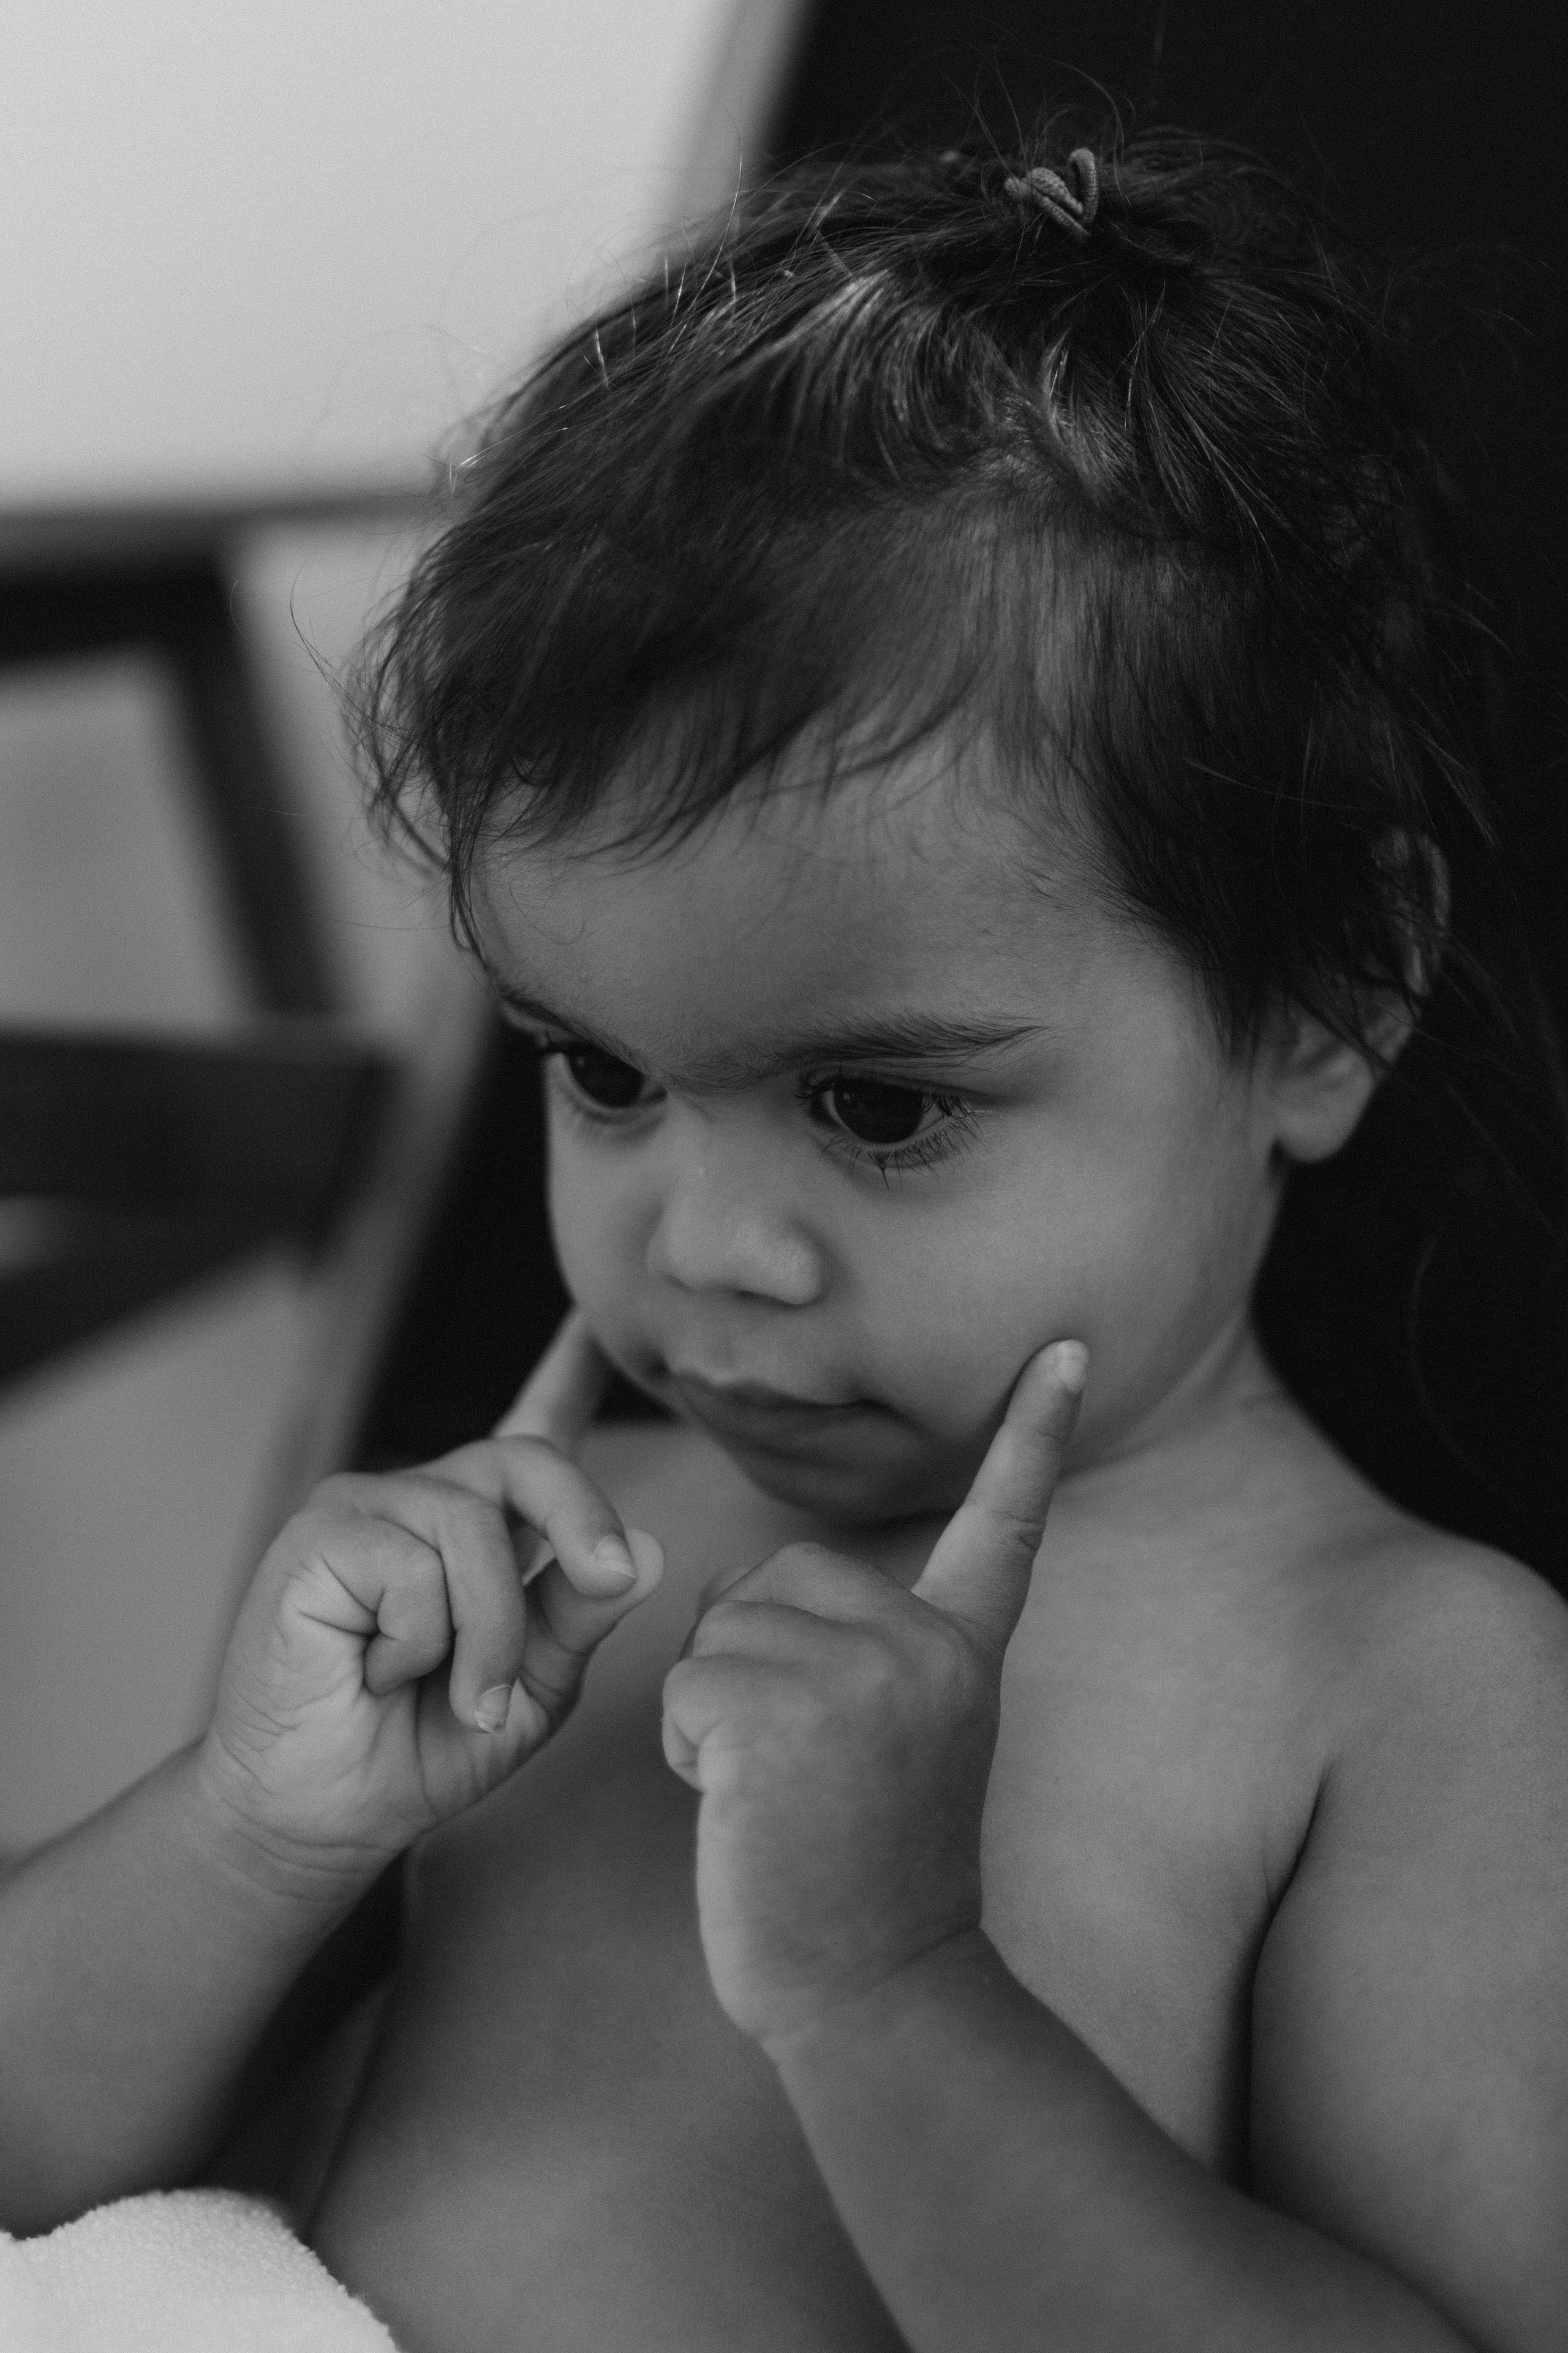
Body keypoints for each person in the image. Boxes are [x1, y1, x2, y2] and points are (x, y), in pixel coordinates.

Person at [2, 113, 1566, 2352]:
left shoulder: (1406, 1684)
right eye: (600, 1070)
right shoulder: (552, 1564)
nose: (708, 1246)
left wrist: (887, 1977)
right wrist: (251, 1827)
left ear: (1327, 994)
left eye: (880, 1106)